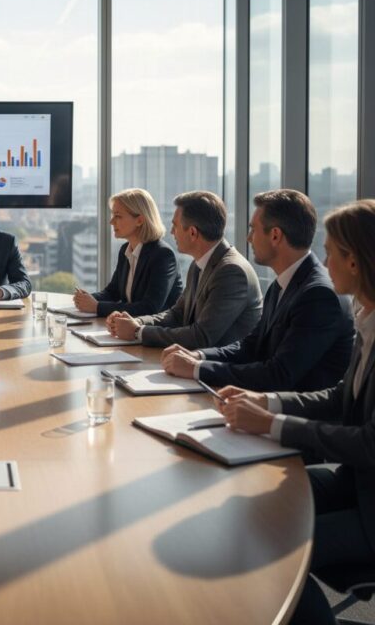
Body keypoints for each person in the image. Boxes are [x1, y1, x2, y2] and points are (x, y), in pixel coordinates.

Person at [218, 199, 375, 625]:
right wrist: (266, 404)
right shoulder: (367, 322)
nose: (323, 261)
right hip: (354, 484)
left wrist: (275, 424)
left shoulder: (333, 303)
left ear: (356, 262)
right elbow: (340, 399)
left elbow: (368, 442)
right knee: (254, 503)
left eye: (331, 252)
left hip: (370, 508)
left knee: (271, 548)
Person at [162, 190, 353, 391]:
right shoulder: (281, 285)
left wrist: (197, 369)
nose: (248, 238)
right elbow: (251, 346)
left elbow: (279, 374)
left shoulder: (318, 295)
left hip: (296, 416)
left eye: (253, 230)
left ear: (275, 235)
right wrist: (199, 356)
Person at [109, 191, 261, 348]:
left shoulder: (231, 272)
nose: (172, 232)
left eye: (175, 225)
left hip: (217, 366)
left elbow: (201, 336)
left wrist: (138, 332)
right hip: (192, 361)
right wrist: (136, 322)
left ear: (193, 232)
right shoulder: (199, 264)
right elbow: (177, 314)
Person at [73, 188, 182, 317]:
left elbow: (150, 307)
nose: (111, 222)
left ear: (140, 220)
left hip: (155, 333)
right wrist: (87, 299)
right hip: (130, 329)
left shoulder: (163, 255)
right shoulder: (125, 250)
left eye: (118, 216)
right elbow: (112, 293)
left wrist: (96, 307)